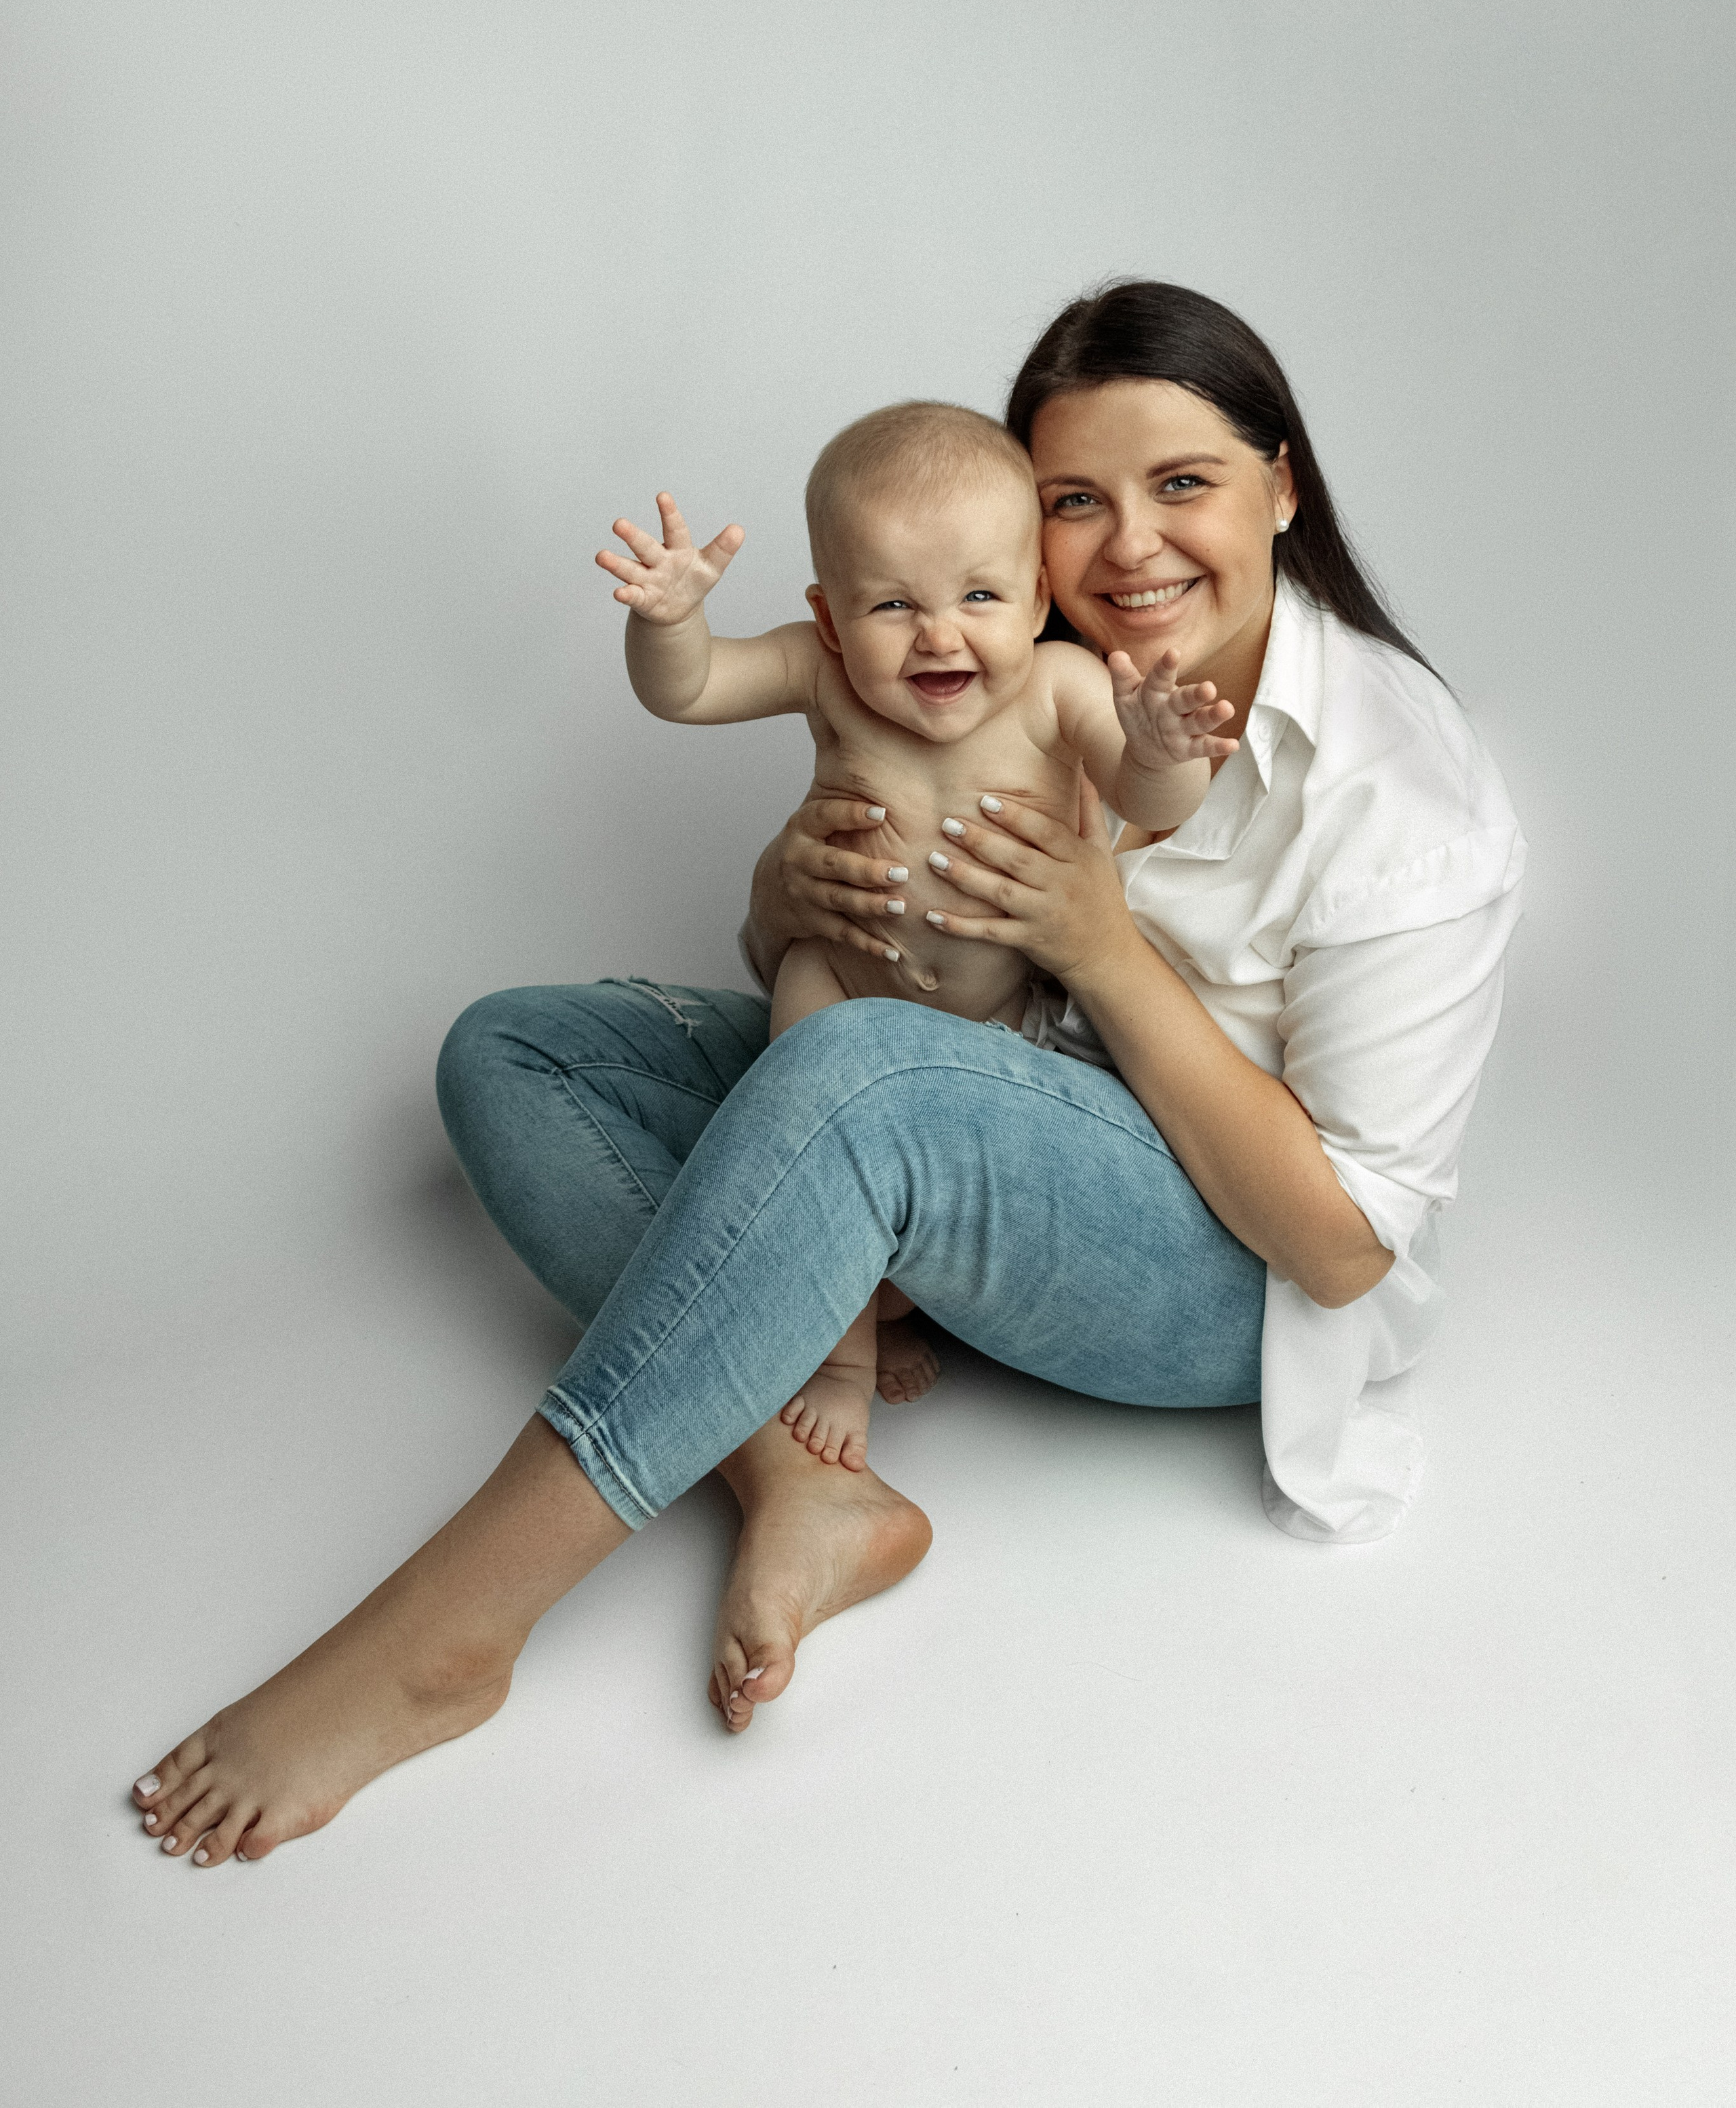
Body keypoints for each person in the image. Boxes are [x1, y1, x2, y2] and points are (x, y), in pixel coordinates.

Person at [128, 281, 1523, 1870]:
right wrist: (792, 894)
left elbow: (1344, 1246)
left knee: (864, 1076)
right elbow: (843, 933)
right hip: (972, 1090)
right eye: (1075, 500)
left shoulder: (1406, 803)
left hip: (1231, 1264)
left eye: (1184, 484)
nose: (1128, 547)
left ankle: (446, 1634)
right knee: (510, 1051)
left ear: (1282, 483)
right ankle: (801, 1480)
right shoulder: (993, 631)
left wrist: (1101, 947)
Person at [597, 399, 1237, 1466]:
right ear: (832, 617)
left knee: (974, 1159)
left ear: (1038, 596)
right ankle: (840, 1357)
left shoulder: (1059, 686)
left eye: (980, 595)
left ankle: (921, 1293)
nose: (941, 634)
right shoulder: (822, 673)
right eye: (894, 604)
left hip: (1012, 1020)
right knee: (810, 1079)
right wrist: (667, 624)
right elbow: (695, 689)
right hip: (847, 987)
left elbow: (1146, 792)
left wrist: (1166, 745)